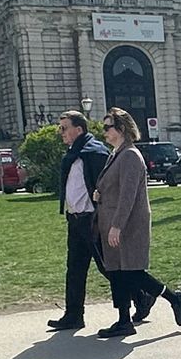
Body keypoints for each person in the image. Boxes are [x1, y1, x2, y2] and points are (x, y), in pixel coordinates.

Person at [92, 107, 181, 339]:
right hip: (112, 223)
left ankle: (175, 298)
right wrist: (100, 194)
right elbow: (114, 188)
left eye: (108, 127)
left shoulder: (130, 156)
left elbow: (128, 194)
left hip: (128, 225)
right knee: (116, 272)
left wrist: (117, 225)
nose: (104, 131)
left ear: (121, 129)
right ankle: (124, 320)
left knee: (133, 272)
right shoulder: (116, 154)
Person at [46, 110, 109, 332]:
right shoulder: (73, 154)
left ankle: (142, 297)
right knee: (74, 268)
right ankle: (73, 315)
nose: (60, 132)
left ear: (78, 129)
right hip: (75, 219)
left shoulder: (95, 152)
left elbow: (106, 188)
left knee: (107, 266)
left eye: (64, 128)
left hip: (92, 220)